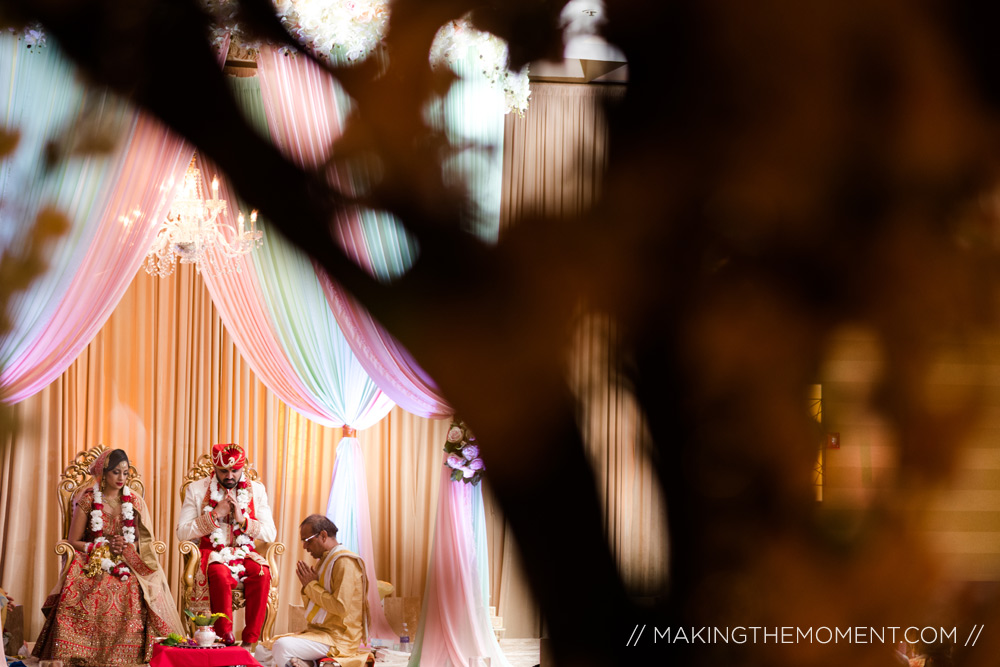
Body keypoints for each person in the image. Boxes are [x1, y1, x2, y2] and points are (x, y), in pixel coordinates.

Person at [32, 448, 186, 665]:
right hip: (93, 557)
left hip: (127, 557)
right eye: (116, 472)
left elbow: (145, 542)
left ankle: (130, 654)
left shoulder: (135, 501)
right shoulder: (87, 500)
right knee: (96, 584)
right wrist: (101, 546)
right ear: (103, 474)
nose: (122, 478)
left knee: (132, 584)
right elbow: (74, 540)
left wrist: (127, 544)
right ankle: (82, 652)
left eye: (125, 473)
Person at [176, 442, 277, 647]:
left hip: (244, 552)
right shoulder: (196, 490)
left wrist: (243, 521)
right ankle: (225, 640)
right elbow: (182, 533)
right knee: (220, 575)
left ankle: (250, 643)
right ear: (214, 469)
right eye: (223, 471)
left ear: (243, 469)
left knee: (262, 573)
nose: (229, 475)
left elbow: (270, 533)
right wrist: (214, 515)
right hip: (212, 552)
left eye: (235, 470)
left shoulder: (256, 490)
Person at [255, 515, 373, 667]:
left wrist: (311, 586)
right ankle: (309, 663)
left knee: (282, 646)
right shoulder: (324, 562)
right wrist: (308, 587)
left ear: (323, 535)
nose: (304, 547)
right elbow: (315, 606)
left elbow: (340, 607)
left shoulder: (345, 562)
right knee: (261, 650)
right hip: (319, 633)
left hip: (339, 637)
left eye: (307, 540)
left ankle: (309, 663)